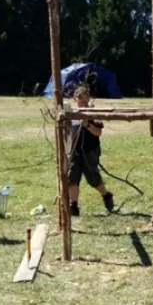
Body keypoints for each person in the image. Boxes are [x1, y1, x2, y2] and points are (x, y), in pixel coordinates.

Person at [65, 85, 114, 216]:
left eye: (84, 99)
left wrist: (87, 125)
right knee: (72, 177)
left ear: (88, 98)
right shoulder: (72, 113)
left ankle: (106, 195)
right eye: (79, 99)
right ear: (75, 99)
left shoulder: (94, 113)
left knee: (92, 178)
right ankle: (73, 205)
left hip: (90, 151)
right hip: (75, 150)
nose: (81, 102)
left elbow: (98, 133)